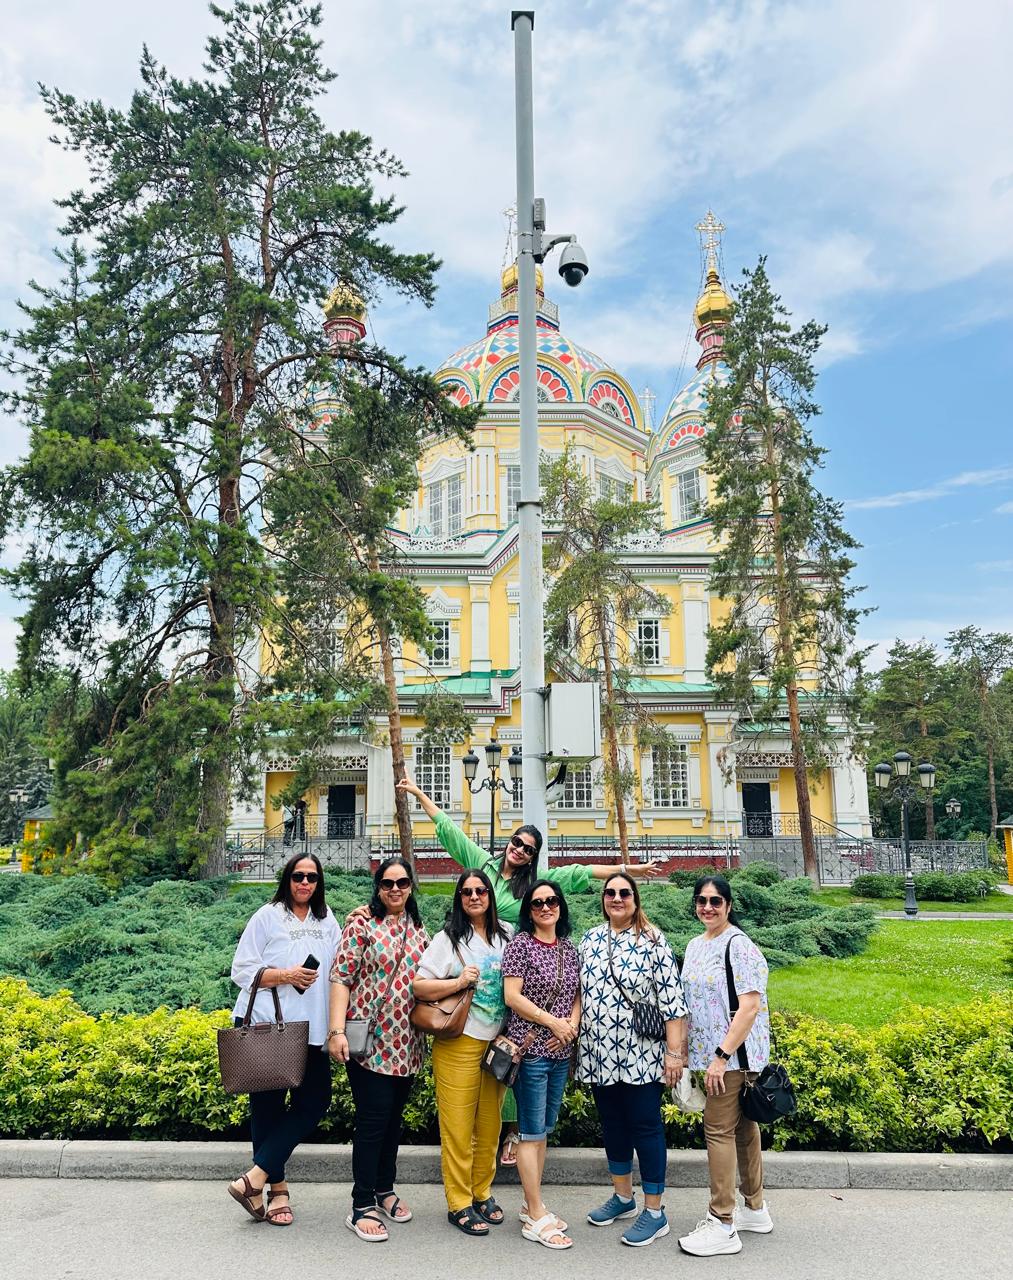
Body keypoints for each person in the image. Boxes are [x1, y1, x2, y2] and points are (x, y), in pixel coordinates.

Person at [395, 773, 659, 1164]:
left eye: (528, 849)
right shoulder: (482, 866)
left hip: (520, 974)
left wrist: (627, 869)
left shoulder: (534, 886)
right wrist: (418, 792)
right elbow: (449, 830)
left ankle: (514, 1133)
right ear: (509, 842)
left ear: (534, 857)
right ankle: (486, 1141)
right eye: (517, 842)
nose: (520, 850)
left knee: (513, 1053)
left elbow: (581, 871)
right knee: (492, 1060)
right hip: (484, 977)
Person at [227, 853, 339, 1226]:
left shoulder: (327, 919)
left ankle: (253, 1179)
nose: (304, 883)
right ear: (287, 879)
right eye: (297, 876)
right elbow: (241, 969)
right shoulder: (268, 916)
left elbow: (341, 967)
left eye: (311, 877)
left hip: (313, 1027)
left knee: (316, 1102)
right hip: (269, 1024)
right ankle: (277, 1191)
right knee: (267, 1110)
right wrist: (286, 975)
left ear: (319, 882)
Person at [578, 871, 688, 1246]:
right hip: (599, 1053)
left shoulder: (653, 940)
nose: (617, 898)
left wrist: (674, 1054)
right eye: (610, 892)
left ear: (635, 898)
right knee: (612, 1124)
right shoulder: (591, 939)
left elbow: (673, 1003)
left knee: (645, 1126)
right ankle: (623, 1197)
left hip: (641, 1053)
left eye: (624, 892)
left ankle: (655, 1212)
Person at [328, 857, 429, 1242]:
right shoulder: (361, 923)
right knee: (373, 1121)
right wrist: (336, 1031)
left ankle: (384, 1189)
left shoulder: (417, 927)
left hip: (408, 1042)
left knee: (393, 1121)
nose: (395, 890)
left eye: (402, 883)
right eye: (388, 883)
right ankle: (361, 1204)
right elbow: (341, 977)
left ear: (410, 886)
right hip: (369, 1042)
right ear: (378, 887)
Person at [677, 875, 773, 1257]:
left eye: (715, 901)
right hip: (712, 1057)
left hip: (733, 1058)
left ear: (728, 906)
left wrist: (720, 1057)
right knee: (744, 1130)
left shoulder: (739, 945)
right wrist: (685, 1052)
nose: (707, 907)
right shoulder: (695, 945)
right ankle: (755, 1209)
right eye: (701, 900)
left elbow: (749, 1007)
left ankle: (722, 1223)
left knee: (717, 1130)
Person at [414, 869, 513, 1236]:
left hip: (496, 1044)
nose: (474, 897)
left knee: (489, 1126)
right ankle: (459, 1202)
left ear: (489, 895)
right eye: (467, 892)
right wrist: (458, 981)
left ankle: (481, 1192)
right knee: (457, 1127)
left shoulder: (507, 935)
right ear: (459, 898)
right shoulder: (449, 939)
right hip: (460, 1041)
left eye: (480, 890)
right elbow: (419, 986)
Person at [501, 880, 581, 1250]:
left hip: (561, 1053)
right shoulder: (521, 944)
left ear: (560, 906)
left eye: (551, 901)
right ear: (529, 911)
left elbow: (577, 995)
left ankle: (531, 1203)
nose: (545, 907)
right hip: (531, 1051)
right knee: (531, 1133)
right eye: (537, 903)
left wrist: (571, 1028)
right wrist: (553, 1023)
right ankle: (535, 1215)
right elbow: (512, 996)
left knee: (543, 1130)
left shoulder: (568, 948)